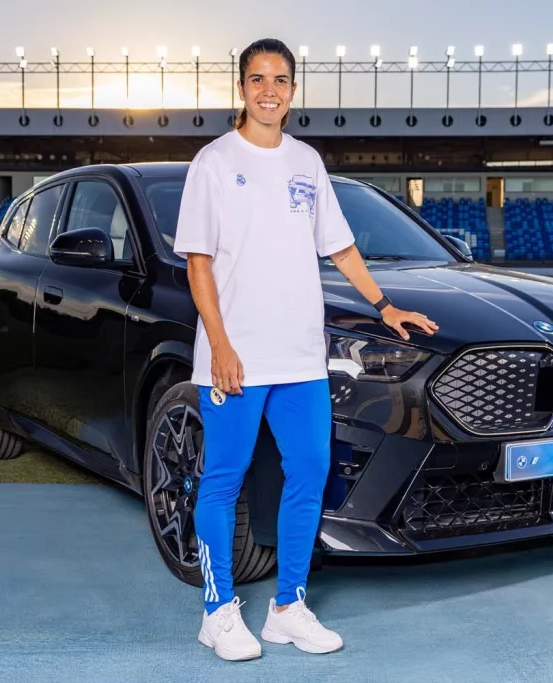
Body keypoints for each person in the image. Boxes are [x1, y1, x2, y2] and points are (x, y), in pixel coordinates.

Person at [172, 38, 439, 661]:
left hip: (299, 357)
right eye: (259, 79)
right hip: (234, 357)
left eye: (282, 80)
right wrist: (221, 345)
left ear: (294, 90)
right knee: (222, 481)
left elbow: (340, 248)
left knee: (309, 474)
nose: (270, 90)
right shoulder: (213, 162)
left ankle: (287, 606)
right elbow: (198, 265)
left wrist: (383, 305)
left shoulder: (306, 162)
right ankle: (217, 611)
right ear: (241, 87)